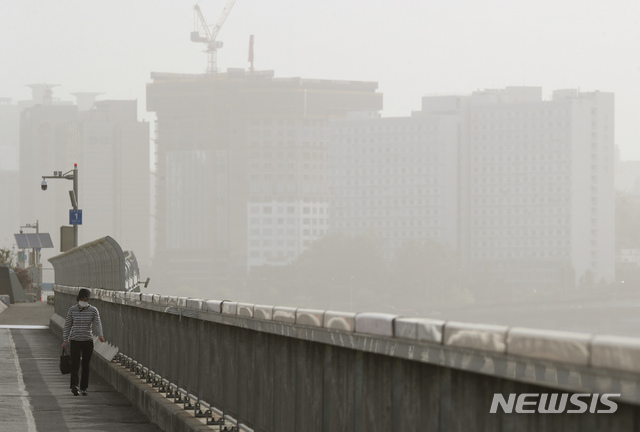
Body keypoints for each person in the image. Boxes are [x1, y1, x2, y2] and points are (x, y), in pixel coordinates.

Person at [61, 288, 105, 396]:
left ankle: (84, 387)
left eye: (85, 299)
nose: (83, 301)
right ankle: (74, 386)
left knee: (86, 365)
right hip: (75, 340)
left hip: (87, 341)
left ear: (88, 300)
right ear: (78, 299)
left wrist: (100, 335)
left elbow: (97, 323)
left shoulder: (93, 310)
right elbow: (67, 325)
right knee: (75, 364)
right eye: (81, 299)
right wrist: (65, 340)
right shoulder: (72, 310)